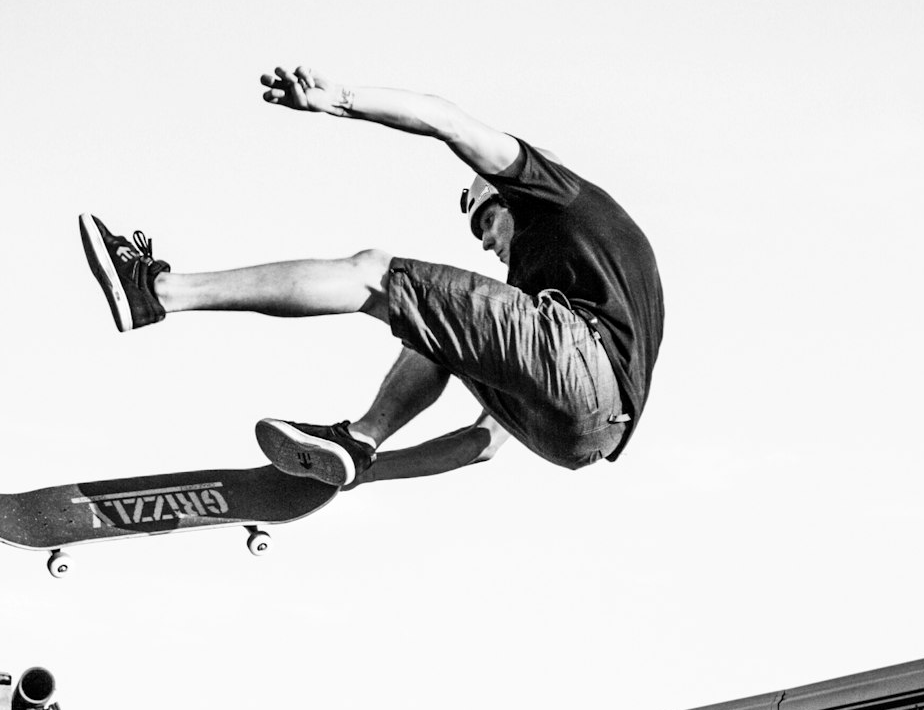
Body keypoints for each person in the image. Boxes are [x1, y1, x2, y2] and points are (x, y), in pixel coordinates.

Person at [79, 68, 663, 493]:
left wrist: (341, 101)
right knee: (435, 333)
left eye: (488, 221)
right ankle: (360, 446)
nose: (486, 243)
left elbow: (447, 121)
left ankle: (159, 292)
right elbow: (476, 447)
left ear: (513, 198)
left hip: (583, 366)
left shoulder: (554, 193)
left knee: (375, 274)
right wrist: (366, 475)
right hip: (582, 441)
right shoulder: (594, 282)